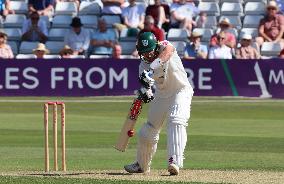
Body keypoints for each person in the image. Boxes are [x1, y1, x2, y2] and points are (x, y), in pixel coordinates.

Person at [124, 32, 194, 176]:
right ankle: (141, 165)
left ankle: (174, 161)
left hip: (181, 90)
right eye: (144, 53)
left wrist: (151, 70)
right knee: (147, 131)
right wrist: (146, 93)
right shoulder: (143, 65)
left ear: (155, 46)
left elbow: (167, 53)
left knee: (176, 120)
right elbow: (146, 88)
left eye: (149, 52)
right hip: (162, 95)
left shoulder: (165, 46)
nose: (147, 56)